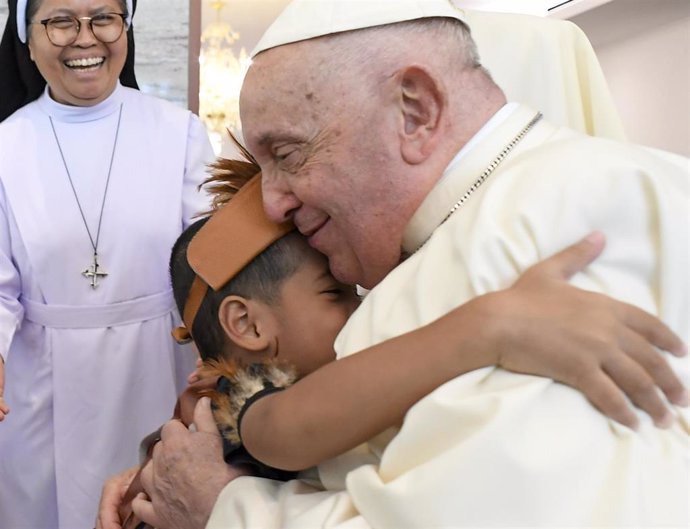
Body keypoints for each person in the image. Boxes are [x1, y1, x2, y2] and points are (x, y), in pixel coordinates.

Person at [98, 2, 690, 528]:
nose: (273, 200)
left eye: (288, 152)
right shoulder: (473, 227)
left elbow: (511, 508)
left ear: (415, 109)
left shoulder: (565, 223)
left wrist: (223, 509)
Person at [0, 0, 214, 527]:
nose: (85, 38)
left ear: (126, 27)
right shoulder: (5, 145)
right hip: (42, 387)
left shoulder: (179, 131)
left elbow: (215, 261)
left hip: (162, 367)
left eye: (103, 18)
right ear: (28, 38)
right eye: (60, 21)